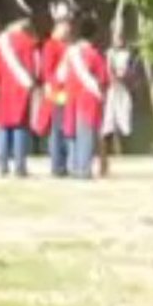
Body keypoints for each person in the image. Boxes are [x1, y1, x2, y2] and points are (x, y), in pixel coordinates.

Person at [60, 12, 108, 180]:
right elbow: (103, 78)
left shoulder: (70, 53)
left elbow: (61, 76)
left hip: (71, 96)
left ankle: (73, 166)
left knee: (72, 134)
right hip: (88, 98)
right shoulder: (93, 54)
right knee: (86, 135)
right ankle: (84, 169)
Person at [0, 0, 39, 177]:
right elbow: (33, 64)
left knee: (4, 126)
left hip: (4, 87)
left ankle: (3, 164)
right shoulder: (26, 41)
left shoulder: (2, 40)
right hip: (20, 87)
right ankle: (19, 165)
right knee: (20, 127)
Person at [33, 0, 76, 177]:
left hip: (69, 91)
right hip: (57, 92)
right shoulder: (51, 45)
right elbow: (47, 71)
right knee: (57, 131)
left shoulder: (69, 45)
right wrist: (53, 87)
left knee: (66, 129)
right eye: (63, 25)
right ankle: (57, 165)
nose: (66, 29)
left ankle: (65, 164)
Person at [100, 21, 135, 177]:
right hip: (110, 91)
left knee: (124, 120)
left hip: (123, 91)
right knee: (107, 124)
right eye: (116, 35)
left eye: (120, 36)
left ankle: (124, 153)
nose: (118, 39)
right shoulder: (108, 53)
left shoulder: (129, 54)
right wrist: (111, 77)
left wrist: (124, 77)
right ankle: (105, 161)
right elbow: (104, 71)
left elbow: (133, 72)